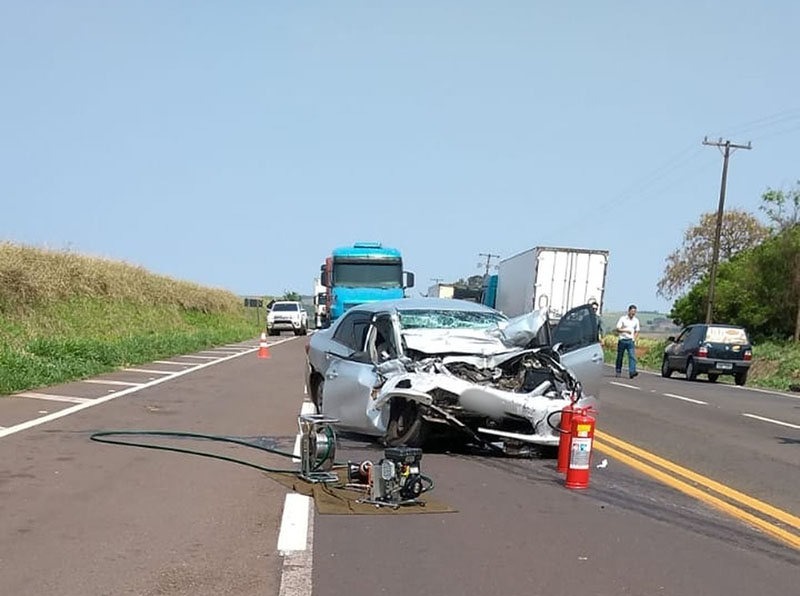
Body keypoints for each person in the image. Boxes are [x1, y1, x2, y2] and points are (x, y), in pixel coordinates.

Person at [615, 304, 640, 379]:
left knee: (632, 356)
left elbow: (637, 330)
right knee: (620, 356)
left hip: (630, 341)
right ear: (629, 311)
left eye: (634, 312)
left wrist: (634, 339)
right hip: (622, 339)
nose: (633, 313)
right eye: (632, 312)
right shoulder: (623, 319)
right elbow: (618, 328)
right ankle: (618, 370)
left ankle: (632, 371)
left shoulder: (636, 320)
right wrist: (625, 331)